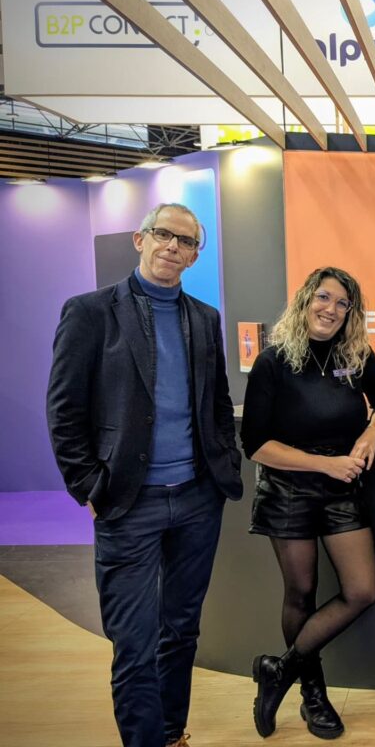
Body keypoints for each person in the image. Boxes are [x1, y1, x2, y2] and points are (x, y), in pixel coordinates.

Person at [46, 203, 243, 747]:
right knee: (133, 644)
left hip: (197, 499)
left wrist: (223, 464)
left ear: (195, 256)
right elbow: (64, 409)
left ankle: (173, 734)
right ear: (141, 239)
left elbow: (217, 401)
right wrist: (89, 487)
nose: (172, 247)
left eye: (186, 242)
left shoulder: (204, 318)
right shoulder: (90, 312)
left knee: (181, 631)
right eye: (163, 235)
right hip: (128, 503)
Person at [243, 266, 375, 740]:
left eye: (342, 303)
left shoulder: (356, 355)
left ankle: (279, 669)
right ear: (306, 300)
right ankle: (314, 695)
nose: (331, 309)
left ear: (351, 312)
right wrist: (325, 464)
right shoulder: (273, 361)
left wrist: (371, 432)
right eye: (324, 298)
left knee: (362, 590)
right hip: (288, 489)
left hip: (341, 487)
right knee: (300, 594)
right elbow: (256, 444)